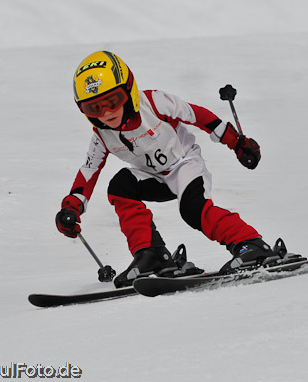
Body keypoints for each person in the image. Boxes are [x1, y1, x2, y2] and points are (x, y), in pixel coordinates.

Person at [56, 50, 281, 288]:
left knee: (193, 209)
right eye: (94, 109)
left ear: (129, 90)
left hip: (185, 164)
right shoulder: (101, 135)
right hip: (154, 178)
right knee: (120, 187)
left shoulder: (153, 103)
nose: (106, 113)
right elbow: (88, 172)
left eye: (113, 101)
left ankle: (251, 244)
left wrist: (236, 143)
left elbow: (198, 116)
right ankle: (151, 255)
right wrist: (71, 208)